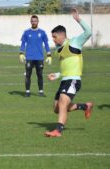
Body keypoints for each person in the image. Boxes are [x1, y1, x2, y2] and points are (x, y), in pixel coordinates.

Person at [45, 8, 93, 137]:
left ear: (62, 35)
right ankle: (85, 106)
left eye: (55, 37)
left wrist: (79, 20)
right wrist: (56, 75)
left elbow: (88, 32)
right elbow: (65, 68)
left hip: (73, 80)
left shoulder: (75, 42)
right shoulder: (59, 50)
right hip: (64, 80)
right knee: (57, 108)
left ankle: (58, 130)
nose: (53, 40)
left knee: (62, 102)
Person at [19, 15, 52, 97]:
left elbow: (46, 44)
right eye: (32, 21)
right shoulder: (26, 32)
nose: (34, 22)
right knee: (28, 75)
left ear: (38, 22)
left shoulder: (42, 32)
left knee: (40, 75)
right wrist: (21, 53)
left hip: (39, 57)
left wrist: (49, 55)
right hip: (29, 57)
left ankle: (41, 92)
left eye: (35, 21)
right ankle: (27, 92)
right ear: (30, 22)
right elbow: (23, 43)